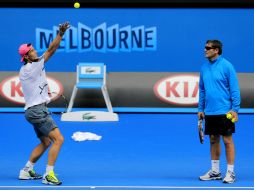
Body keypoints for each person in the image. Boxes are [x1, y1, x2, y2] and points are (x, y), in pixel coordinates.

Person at [18, 22, 70, 185]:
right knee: (59, 139)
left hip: (32, 110)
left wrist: (44, 93)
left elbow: (35, 86)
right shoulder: (32, 66)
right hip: (37, 111)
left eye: (33, 49)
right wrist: (60, 33)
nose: (35, 51)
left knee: (46, 141)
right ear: (26, 56)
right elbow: (51, 50)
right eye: (32, 51)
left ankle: (26, 170)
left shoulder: (26, 69)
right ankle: (49, 175)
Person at [198, 40, 241, 184]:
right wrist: (200, 109)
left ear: (216, 50)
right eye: (205, 47)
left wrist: (235, 108)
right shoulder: (204, 68)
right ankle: (215, 172)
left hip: (225, 111)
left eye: (208, 48)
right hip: (210, 111)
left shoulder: (227, 66)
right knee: (213, 140)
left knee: (227, 141)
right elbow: (202, 90)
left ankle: (230, 173)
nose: (205, 50)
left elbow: (234, 89)